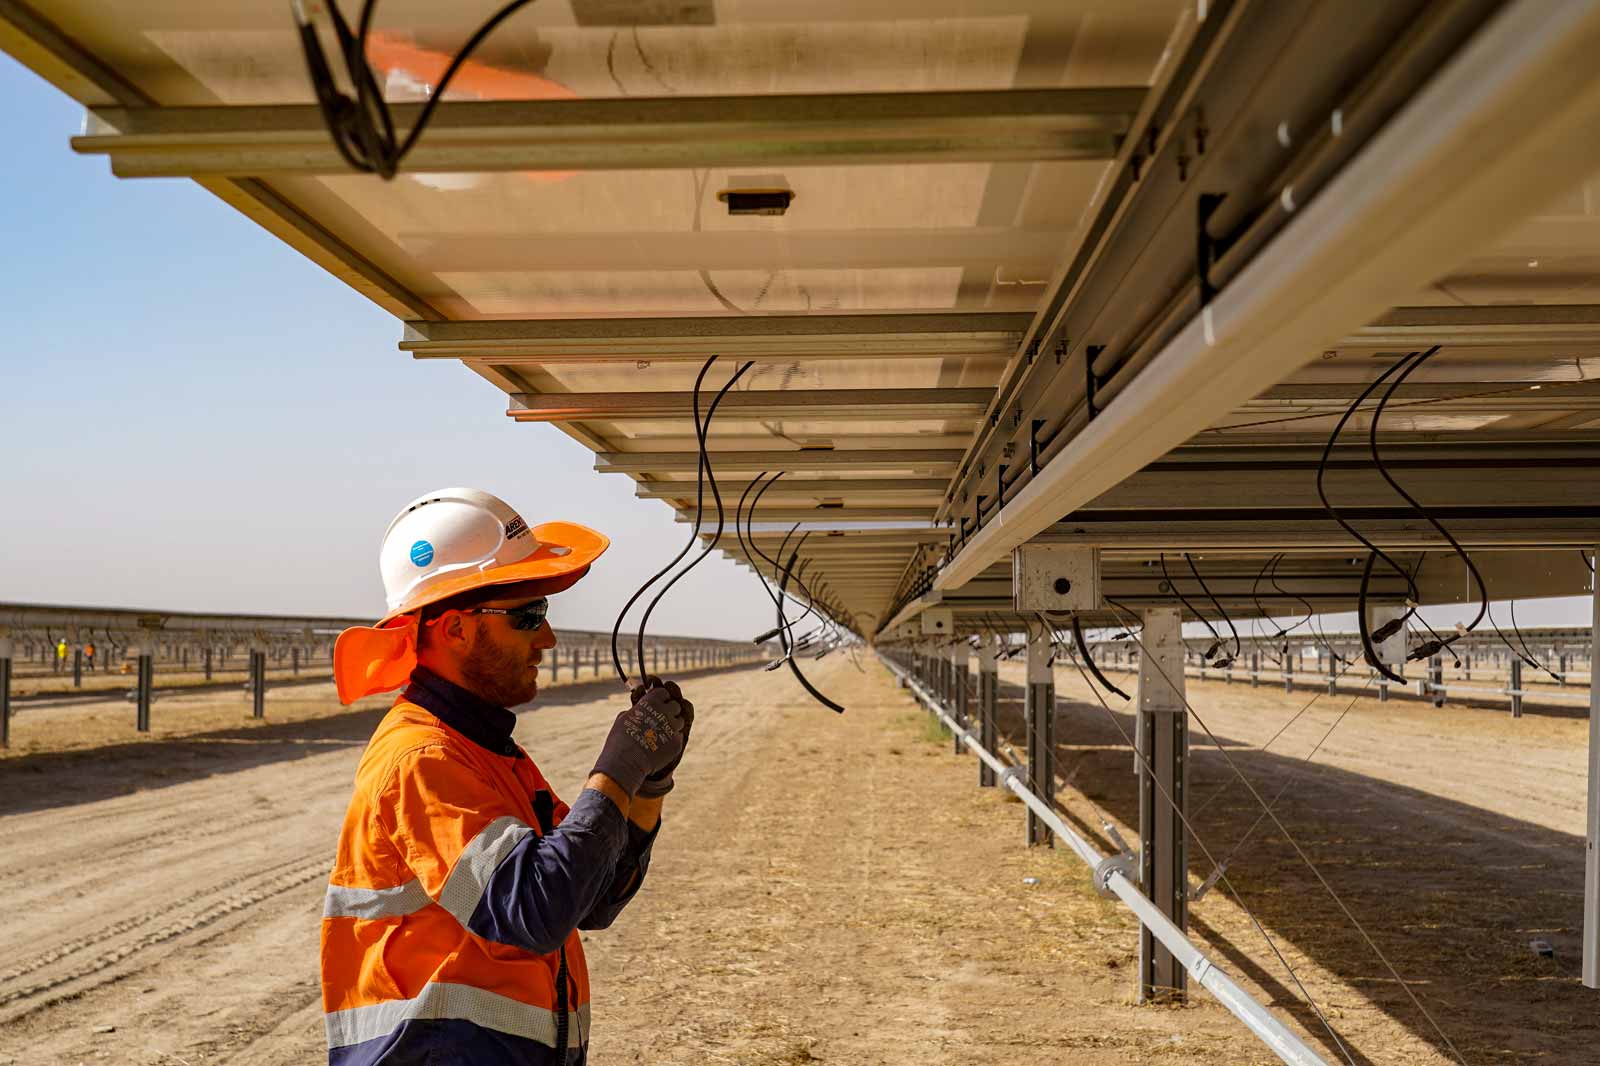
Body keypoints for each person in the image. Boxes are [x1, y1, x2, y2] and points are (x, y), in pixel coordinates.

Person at [321, 488, 692, 1065]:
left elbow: (590, 901)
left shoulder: (490, 754)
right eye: (528, 616)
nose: (547, 638)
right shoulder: (421, 758)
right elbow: (536, 909)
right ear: (454, 630)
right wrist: (616, 769)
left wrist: (647, 786)